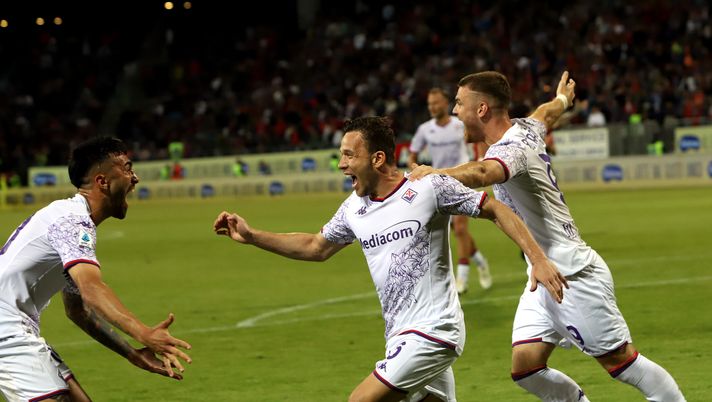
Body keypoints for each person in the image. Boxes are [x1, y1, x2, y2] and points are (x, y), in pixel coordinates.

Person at [214, 116, 567, 402]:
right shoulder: (354, 208)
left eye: (349, 155)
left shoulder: (427, 188)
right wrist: (252, 236)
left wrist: (536, 258)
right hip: (398, 335)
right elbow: (315, 246)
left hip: (433, 332)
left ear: (378, 158)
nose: (341, 164)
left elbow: (493, 207)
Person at [409, 71, 686, 401]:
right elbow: (546, 113)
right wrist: (563, 100)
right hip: (541, 274)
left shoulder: (510, 149)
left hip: (571, 274)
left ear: (481, 109)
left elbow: (484, 173)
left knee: (621, 361)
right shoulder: (525, 128)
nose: (455, 112)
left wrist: (433, 174)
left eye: (459, 103)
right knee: (526, 368)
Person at [0, 137, 192, 402]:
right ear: (102, 181)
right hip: (5, 327)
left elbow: (78, 311)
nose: (134, 177)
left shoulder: (71, 225)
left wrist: (132, 353)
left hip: (15, 327)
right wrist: (144, 333)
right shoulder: (72, 223)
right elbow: (92, 289)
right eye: (127, 168)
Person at [408, 88, 492, 294]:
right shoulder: (425, 129)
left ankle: (461, 278)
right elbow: (412, 155)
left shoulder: (459, 124)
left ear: (445, 103)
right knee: (456, 230)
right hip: (438, 182)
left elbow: (479, 137)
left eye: (436, 103)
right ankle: (481, 262)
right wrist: (414, 170)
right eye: (429, 104)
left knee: (460, 229)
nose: (432, 107)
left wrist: (481, 160)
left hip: (463, 180)